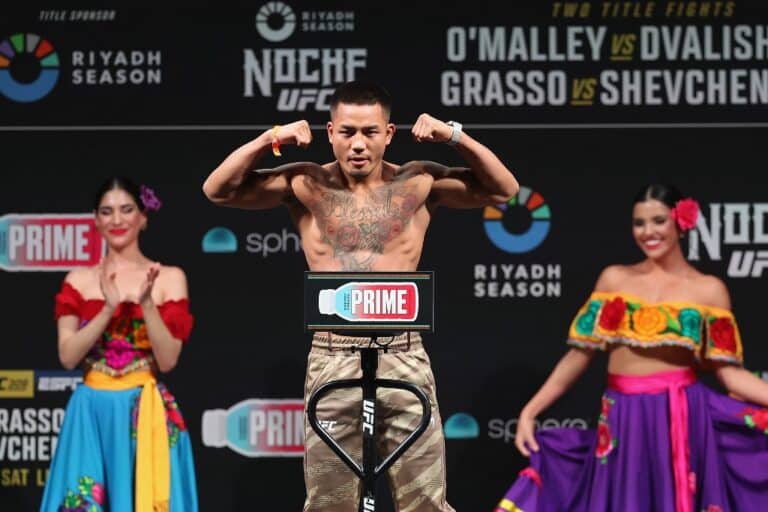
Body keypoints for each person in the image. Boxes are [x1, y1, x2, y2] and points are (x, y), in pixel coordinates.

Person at [203, 80, 519, 511]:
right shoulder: (305, 183)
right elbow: (217, 190)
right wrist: (270, 138)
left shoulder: (418, 180)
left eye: (369, 132)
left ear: (388, 134)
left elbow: (504, 190)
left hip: (402, 351)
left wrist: (453, 135)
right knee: (329, 503)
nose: (357, 144)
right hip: (333, 354)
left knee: (425, 503)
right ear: (330, 132)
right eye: (347, 132)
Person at [496, 184, 768, 512]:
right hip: (622, 415)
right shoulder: (614, 280)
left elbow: (731, 375)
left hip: (679, 416)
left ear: (680, 222)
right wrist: (530, 411)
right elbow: (578, 356)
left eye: (658, 221)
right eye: (639, 223)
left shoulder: (708, 290)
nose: (648, 232)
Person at [40, 177, 198, 512]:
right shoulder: (78, 280)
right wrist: (107, 309)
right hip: (90, 412)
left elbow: (168, 360)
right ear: (96, 220)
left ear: (143, 217)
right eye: (106, 211)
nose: (116, 220)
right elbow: (68, 356)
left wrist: (147, 304)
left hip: (145, 409)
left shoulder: (168, 278)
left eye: (126, 210)